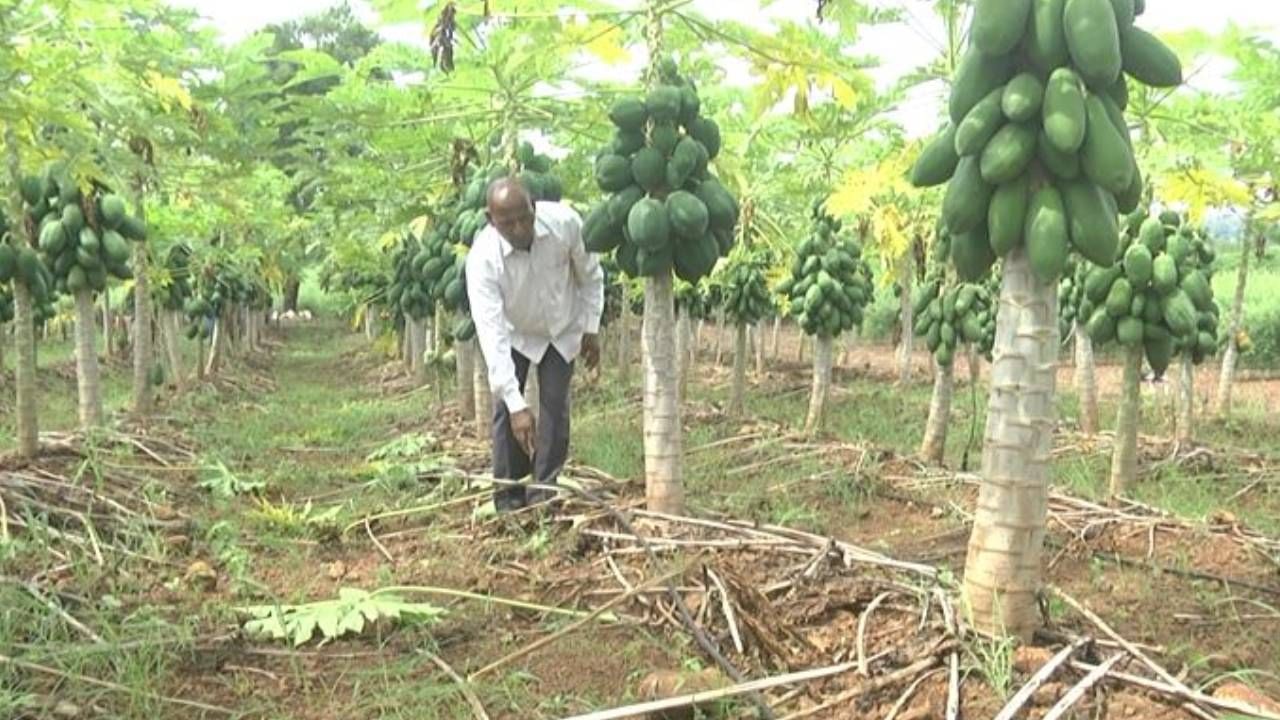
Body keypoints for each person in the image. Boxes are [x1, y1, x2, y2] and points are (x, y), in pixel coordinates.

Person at [466, 177, 604, 512]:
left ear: (535, 207)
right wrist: (517, 406)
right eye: (507, 223)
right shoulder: (483, 260)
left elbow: (590, 274)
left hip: (562, 327)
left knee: (556, 406)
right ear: (489, 220)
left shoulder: (564, 223)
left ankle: (544, 492)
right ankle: (508, 498)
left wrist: (590, 326)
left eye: (525, 217)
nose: (519, 228)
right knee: (507, 414)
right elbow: (492, 333)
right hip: (516, 333)